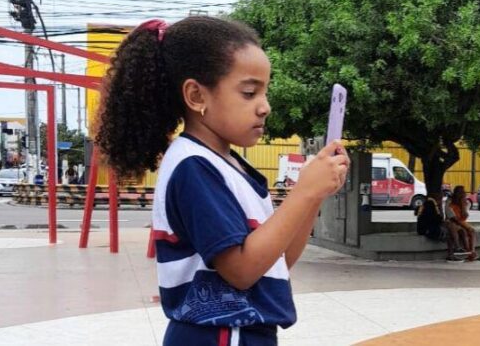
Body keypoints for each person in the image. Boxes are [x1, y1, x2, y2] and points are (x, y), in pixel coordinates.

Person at [95, 17, 350, 346]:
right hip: (218, 337)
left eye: (265, 92)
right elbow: (241, 270)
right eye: (249, 92)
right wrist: (302, 192)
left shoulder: (229, 166)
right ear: (196, 95)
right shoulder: (194, 167)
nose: (265, 106)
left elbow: (277, 259)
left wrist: (314, 195)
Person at [416, 193, 462, 262]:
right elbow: (434, 219)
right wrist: (442, 220)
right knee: (449, 235)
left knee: (450, 227)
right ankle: (453, 252)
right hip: (427, 230)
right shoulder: (431, 204)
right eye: (440, 197)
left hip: (427, 228)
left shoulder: (428, 204)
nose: (441, 199)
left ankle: (456, 248)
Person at [447, 185, 480, 262]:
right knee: (464, 231)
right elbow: (452, 217)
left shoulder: (465, 202)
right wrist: (463, 225)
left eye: (463, 192)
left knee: (472, 231)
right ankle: (468, 252)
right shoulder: (449, 201)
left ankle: (472, 252)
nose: (463, 194)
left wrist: (463, 206)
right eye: (461, 192)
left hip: (460, 221)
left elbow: (464, 217)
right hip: (452, 221)